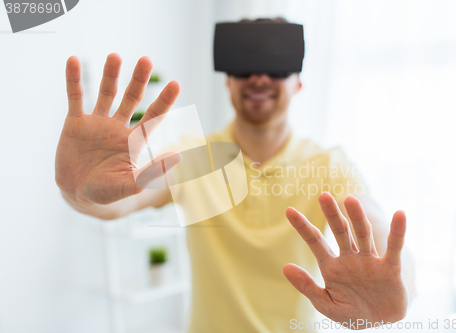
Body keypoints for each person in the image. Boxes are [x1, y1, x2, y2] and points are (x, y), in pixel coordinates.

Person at [56, 18, 414, 333]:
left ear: (298, 84)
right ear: (227, 83)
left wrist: (397, 284)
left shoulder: (327, 164)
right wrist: (80, 194)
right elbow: (123, 200)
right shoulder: (194, 156)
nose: (259, 76)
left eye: (277, 66)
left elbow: (376, 225)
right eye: (244, 67)